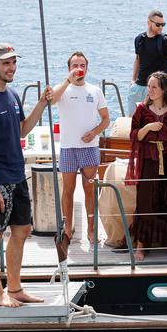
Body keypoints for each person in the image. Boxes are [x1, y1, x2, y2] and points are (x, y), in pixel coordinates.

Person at [0, 42, 52, 307]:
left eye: (14, 62)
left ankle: (14, 289)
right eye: (6, 63)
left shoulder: (13, 95)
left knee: (23, 230)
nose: (12, 67)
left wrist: (42, 103)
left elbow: (22, 130)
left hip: (17, 176)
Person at [125, 71, 167, 260]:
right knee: (145, 200)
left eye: (154, 87)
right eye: (149, 86)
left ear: (164, 89)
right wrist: (147, 128)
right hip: (148, 158)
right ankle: (141, 245)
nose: (150, 90)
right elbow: (134, 136)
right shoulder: (142, 110)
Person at [51, 51, 110, 242]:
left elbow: (106, 119)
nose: (79, 68)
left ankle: (91, 231)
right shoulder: (63, 89)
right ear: (69, 68)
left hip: (89, 148)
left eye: (82, 65)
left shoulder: (95, 91)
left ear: (87, 68)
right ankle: (68, 230)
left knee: (90, 191)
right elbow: (51, 101)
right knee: (67, 191)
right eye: (75, 65)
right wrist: (68, 80)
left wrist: (94, 132)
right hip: (68, 148)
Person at [128, 10, 167, 116]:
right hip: (137, 88)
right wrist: (133, 80)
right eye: (158, 24)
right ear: (149, 23)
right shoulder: (139, 39)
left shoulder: (165, 41)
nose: (160, 27)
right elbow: (137, 59)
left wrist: (165, 84)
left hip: (155, 90)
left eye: (163, 25)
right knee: (133, 120)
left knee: (153, 120)